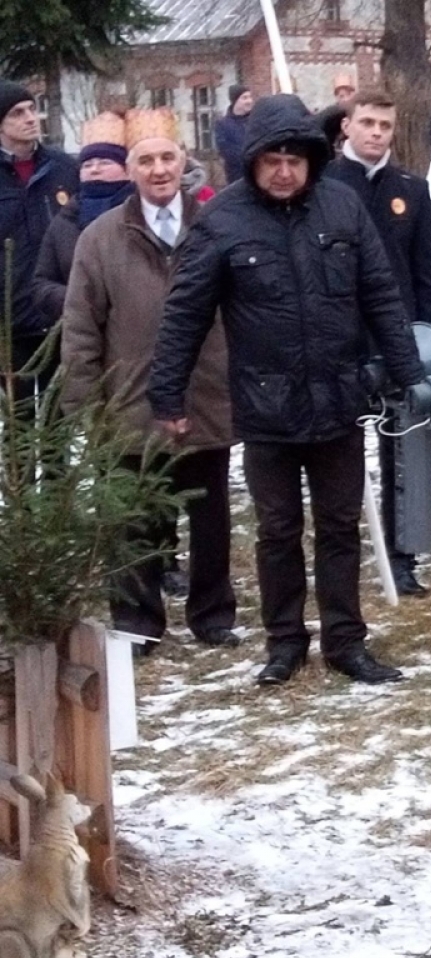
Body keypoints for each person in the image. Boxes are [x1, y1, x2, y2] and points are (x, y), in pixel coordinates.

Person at [148, 94, 426, 687]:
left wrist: (409, 374)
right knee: (277, 531)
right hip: (265, 404)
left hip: (338, 397)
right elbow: (185, 313)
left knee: (339, 527)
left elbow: (381, 294)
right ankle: (284, 642)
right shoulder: (222, 219)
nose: (282, 171)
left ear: (311, 161)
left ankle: (345, 641)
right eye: (271, 160)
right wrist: (167, 395)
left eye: (294, 160)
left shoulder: (342, 206)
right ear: (252, 161)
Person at [61, 107, 239, 653]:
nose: (159, 170)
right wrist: (85, 409)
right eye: (146, 160)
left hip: (205, 396)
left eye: (167, 157)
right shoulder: (100, 239)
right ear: (130, 168)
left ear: (184, 161)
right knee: (133, 521)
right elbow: (81, 329)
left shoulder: (216, 227)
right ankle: (137, 621)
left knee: (210, 517)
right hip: (131, 406)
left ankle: (212, 614)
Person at [326, 88, 431, 597]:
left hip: (399, 338)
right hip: (339, 337)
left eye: (385, 125)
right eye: (367, 123)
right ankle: (343, 552)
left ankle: (403, 555)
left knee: (403, 450)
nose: (376, 133)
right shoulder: (325, 185)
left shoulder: (411, 190)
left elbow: (428, 274)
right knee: (340, 453)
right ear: (347, 127)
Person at [0, 81, 79, 419]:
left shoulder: (64, 168)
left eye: (32, 109)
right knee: (17, 425)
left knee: (58, 423)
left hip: (60, 314)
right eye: (18, 113)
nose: (31, 118)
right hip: (9, 323)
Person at [33, 111, 134, 329]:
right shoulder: (64, 221)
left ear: (128, 170)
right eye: (87, 165)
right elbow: (41, 283)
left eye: (105, 162)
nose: (94, 169)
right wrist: (75, 298)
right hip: (79, 328)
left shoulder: (141, 214)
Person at [214, 84, 253, 185]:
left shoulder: (256, 121)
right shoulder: (223, 124)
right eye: (244, 98)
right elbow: (226, 151)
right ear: (235, 100)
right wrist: (249, 157)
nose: (249, 101)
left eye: (250, 97)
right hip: (236, 178)